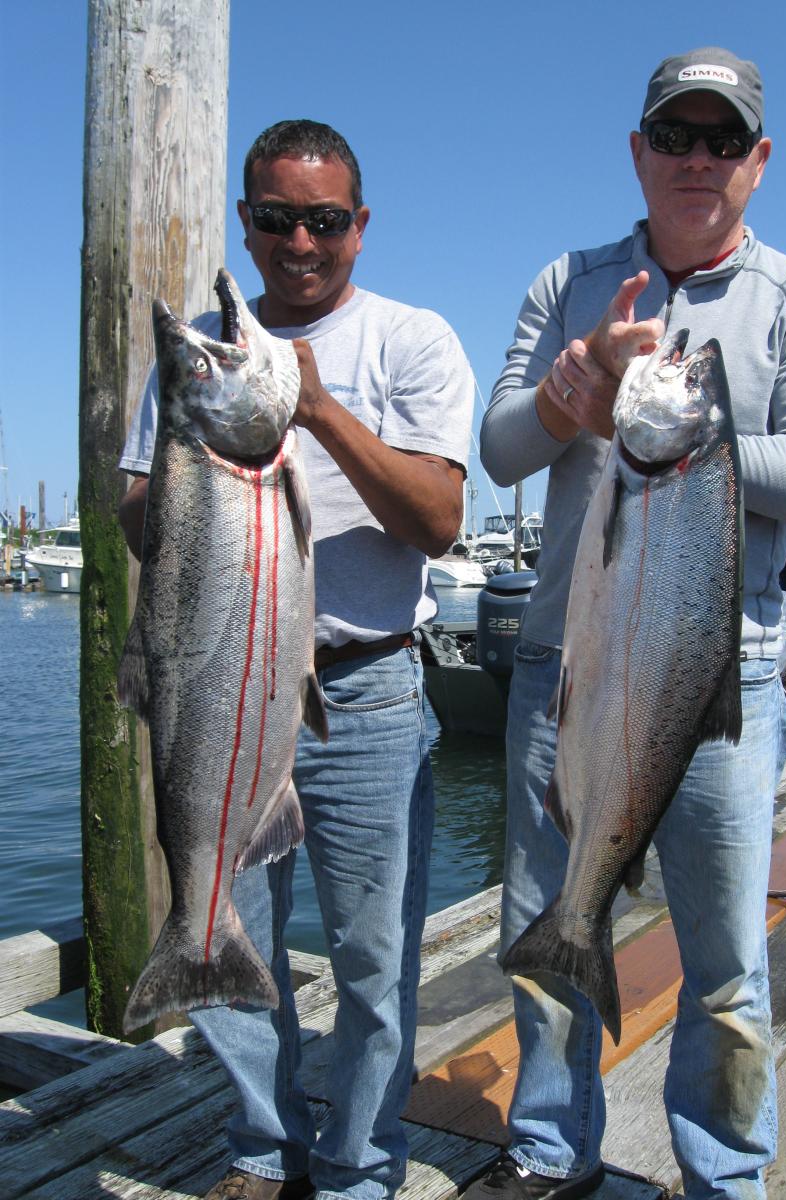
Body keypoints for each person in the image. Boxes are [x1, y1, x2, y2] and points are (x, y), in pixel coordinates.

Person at [467, 47, 786, 1200]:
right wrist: (574, 392)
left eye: (722, 139)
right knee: (550, 928)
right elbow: (500, 450)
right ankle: (551, 1152)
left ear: (758, 160)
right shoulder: (568, 282)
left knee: (727, 961)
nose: (699, 159)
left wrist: (685, 425)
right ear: (639, 153)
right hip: (565, 668)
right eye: (676, 137)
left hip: (723, 675)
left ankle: (725, 1176)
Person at [118, 120, 474, 1200]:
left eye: (323, 220)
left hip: (367, 694)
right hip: (217, 684)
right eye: (277, 218)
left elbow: (439, 519)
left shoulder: (412, 340)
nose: (300, 241)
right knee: (229, 924)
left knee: (373, 960)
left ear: (360, 226)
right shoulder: (199, 359)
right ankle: (263, 1149)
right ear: (248, 222)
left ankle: (360, 1166)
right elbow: (137, 517)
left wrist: (314, 409)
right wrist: (196, 455)